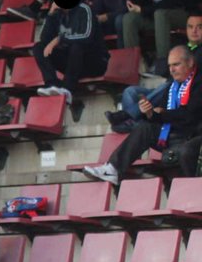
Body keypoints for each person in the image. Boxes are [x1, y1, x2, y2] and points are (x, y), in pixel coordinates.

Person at [84, 46, 200, 185]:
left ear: (190, 62)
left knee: (187, 151)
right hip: (172, 135)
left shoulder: (199, 82)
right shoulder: (172, 87)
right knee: (145, 127)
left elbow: (190, 116)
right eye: (170, 66)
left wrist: (162, 113)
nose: (172, 70)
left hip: (193, 136)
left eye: (176, 64)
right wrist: (150, 113)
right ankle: (112, 169)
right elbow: (162, 116)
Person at [108, 14, 202, 131]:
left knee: (168, 85)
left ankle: (128, 115)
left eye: (199, 27)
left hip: (186, 91)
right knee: (131, 91)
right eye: (190, 27)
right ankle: (134, 124)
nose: (194, 31)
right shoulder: (181, 47)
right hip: (166, 90)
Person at [33, 0, 109, 117]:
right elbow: (45, 40)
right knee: (38, 47)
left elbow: (85, 36)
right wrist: (50, 15)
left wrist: (59, 39)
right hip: (72, 64)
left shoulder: (84, 8)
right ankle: (52, 84)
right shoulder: (57, 13)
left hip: (94, 62)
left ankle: (68, 89)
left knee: (76, 45)